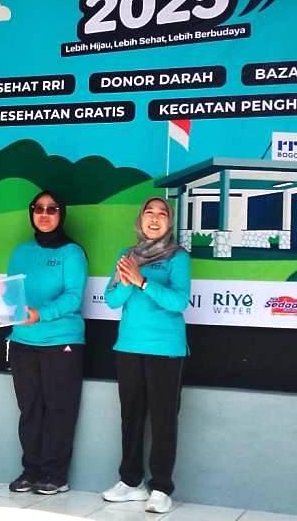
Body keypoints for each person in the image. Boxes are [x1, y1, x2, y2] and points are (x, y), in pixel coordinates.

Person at [101, 197, 191, 514]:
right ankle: (131, 482)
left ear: (170, 221)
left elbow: (178, 301)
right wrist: (129, 281)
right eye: (148, 213)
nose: (154, 219)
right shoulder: (127, 255)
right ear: (140, 220)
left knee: (164, 419)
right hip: (128, 347)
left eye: (162, 214)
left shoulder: (178, 257)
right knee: (131, 416)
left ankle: (161, 488)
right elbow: (112, 299)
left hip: (165, 349)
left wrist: (141, 281)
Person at [6, 190, 87, 495]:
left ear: (61, 214)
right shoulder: (20, 251)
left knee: (59, 410)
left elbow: (73, 297)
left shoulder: (72, 253)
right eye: (38, 208)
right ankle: (31, 471)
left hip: (62, 341)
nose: (44, 214)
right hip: (23, 341)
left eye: (52, 209)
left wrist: (41, 313)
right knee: (29, 410)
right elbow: (11, 293)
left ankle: (55, 475)